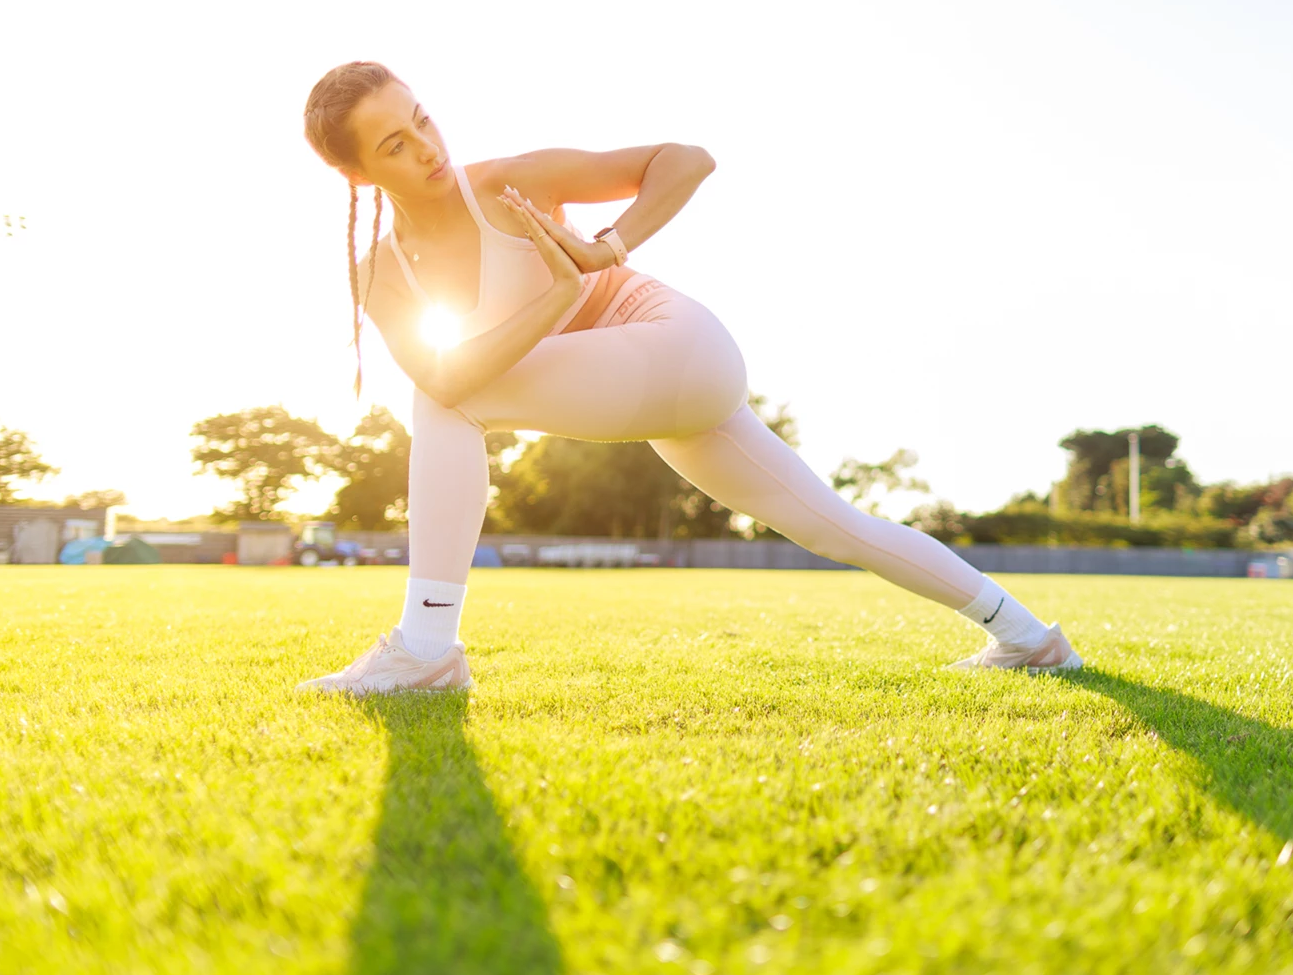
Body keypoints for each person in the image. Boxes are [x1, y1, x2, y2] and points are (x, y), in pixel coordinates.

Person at [295, 61, 1081, 694]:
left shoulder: (509, 183)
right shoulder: (384, 273)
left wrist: (609, 244)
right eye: (394, 144)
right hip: (647, 384)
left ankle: (426, 647)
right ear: (358, 175)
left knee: (441, 403)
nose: (427, 147)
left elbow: (686, 161)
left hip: (674, 343)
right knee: (832, 526)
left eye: (422, 119)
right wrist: (563, 296)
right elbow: (451, 369)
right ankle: (1031, 640)